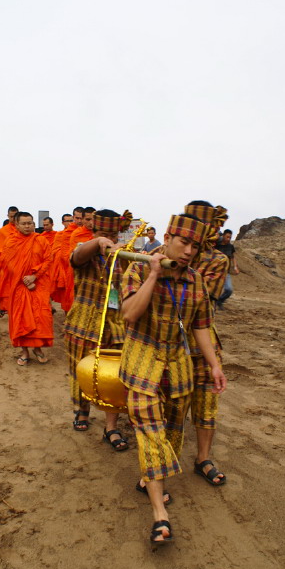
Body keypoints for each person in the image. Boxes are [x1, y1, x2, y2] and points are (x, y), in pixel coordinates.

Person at [120, 214, 227, 545]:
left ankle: (148, 479)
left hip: (178, 368)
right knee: (150, 434)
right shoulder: (137, 268)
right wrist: (153, 274)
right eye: (184, 242)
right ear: (167, 237)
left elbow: (201, 326)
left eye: (195, 246)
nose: (189, 251)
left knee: (172, 434)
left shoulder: (195, 281)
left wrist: (213, 365)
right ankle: (159, 515)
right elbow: (129, 313)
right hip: (142, 365)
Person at [64, 209, 132, 449]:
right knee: (80, 371)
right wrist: (98, 242)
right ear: (94, 231)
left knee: (112, 376)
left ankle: (110, 427)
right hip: (83, 323)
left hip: (115, 326)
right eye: (105, 234)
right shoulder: (84, 249)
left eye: (113, 235)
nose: (109, 240)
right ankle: (81, 411)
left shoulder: (124, 255)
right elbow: (76, 257)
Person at [183, 201, 229, 486]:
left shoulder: (218, 260)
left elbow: (203, 295)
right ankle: (161, 463)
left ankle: (203, 458)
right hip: (166, 343)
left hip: (203, 343)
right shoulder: (160, 254)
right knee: (167, 407)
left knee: (206, 403)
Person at [1, 212, 53, 364]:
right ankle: (24, 352)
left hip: (39, 285)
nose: (27, 226)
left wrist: (34, 276)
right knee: (21, 318)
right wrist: (24, 279)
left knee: (41, 317)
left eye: (30, 223)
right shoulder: (11, 241)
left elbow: (48, 259)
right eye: (24, 223)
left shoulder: (40, 240)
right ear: (16, 225)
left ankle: (38, 349)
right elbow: (8, 263)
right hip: (19, 286)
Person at [52, 207, 84, 313]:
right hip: (68, 269)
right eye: (76, 218)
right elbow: (61, 254)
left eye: (81, 218)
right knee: (69, 298)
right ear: (74, 217)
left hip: (85, 270)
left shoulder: (88, 232)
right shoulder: (66, 234)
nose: (79, 221)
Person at [0, 206, 19, 316]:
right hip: (6, 266)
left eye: (15, 216)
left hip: (20, 265)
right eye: (11, 216)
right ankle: (5, 307)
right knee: (6, 288)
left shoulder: (21, 229)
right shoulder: (3, 231)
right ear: (8, 216)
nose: (13, 218)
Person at [216, 229, 240, 309]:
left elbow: (233, 257)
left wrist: (235, 267)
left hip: (226, 272)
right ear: (223, 236)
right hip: (215, 271)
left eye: (230, 237)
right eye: (227, 237)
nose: (228, 239)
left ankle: (220, 301)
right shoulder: (216, 245)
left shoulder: (230, 246)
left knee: (229, 290)